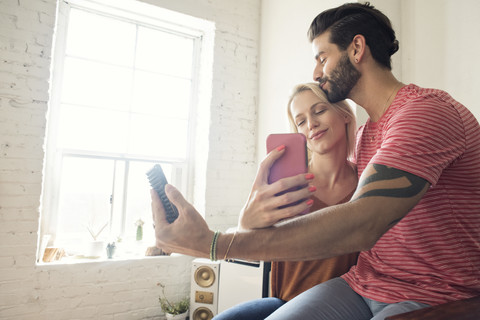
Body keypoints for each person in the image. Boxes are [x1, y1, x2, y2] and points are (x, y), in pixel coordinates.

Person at [151, 3, 480, 319]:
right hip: (364, 283)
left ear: (356, 49)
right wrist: (246, 222)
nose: (316, 71)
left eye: (322, 57)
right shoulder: (369, 133)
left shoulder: (425, 112)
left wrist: (214, 244)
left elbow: (362, 224)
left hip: (437, 293)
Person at [213, 83, 359, 320]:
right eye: (301, 121)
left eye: (319, 110)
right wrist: (246, 224)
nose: (311, 124)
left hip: (343, 307)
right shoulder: (286, 186)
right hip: (284, 304)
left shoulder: (367, 186)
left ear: (344, 114)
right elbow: (249, 247)